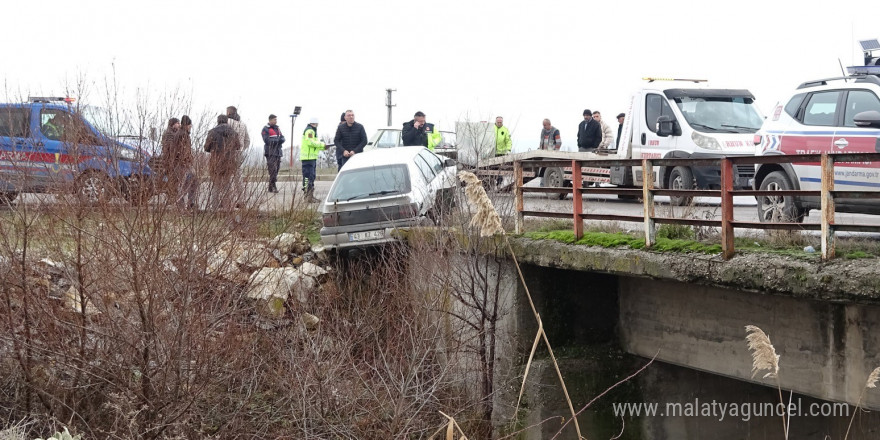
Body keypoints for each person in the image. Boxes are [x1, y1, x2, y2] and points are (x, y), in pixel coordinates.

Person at [203, 115, 242, 210]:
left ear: (218, 121)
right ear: (227, 121)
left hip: (215, 162)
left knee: (216, 185)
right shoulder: (233, 132)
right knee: (227, 185)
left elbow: (206, 148)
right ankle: (227, 208)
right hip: (229, 162)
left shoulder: (212, 132)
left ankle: (214, 208)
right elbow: (238, 146)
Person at [166, 115, 197, 209]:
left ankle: (183, 204)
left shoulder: (179, 134)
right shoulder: (184, 135)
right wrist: (188, 161)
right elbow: (183, 151)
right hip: (183, 164)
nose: (191, 127)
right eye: (190, 125)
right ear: (187, 125)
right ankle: (187, 204)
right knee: (190, 182)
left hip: (179, 163)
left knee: (184, 183)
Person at [301, 117, 327, 202]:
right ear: (315, 124)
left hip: (311, 158)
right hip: (308, 158)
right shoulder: (310, 131)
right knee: (308, 177)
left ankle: (309, 196)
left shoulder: (311, 130)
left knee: (310, 177)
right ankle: (308, 197)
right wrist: (322, 145)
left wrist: (322, 147)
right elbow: (311, 142)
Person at [261, 114, 285, 193]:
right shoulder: (265, 129)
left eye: (276, 119)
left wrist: (279, 140)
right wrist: (277, 140)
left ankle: (270, 187)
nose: (276, 121)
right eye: (274, 119)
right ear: (270, 120)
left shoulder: (277, 128)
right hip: (270, 152)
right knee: (272, 170)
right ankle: (273, 185)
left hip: (278, 152)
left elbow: (282, 138)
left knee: (277, 169)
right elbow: (267, 140)